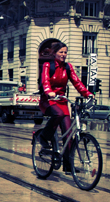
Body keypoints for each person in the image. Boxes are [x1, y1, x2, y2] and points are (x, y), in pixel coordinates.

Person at [37, 41, 93, 174]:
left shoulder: (68, 67)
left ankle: (68, 166)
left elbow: (77, 82)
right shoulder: (47, 65)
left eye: (65, 52)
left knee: (68, 134)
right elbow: (45, 81)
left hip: (62, 101)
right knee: (58, 114)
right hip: (48, 100)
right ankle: (44, 137)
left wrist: (88, 94)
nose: (63, 55)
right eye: (61, 52)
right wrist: (49, 91)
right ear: (55, 53)